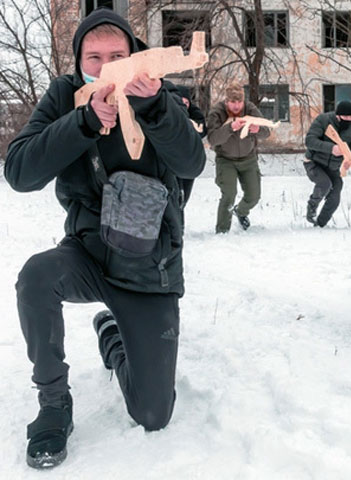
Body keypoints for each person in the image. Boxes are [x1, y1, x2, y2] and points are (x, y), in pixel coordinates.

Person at [4, 8, 205, 468]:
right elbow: (18, 172)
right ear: (79, 62)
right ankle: (54, 404)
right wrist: (84, 122)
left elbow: (192, 164)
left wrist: (156, 108)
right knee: (36, 277)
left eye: (118, 55)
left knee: (153, 414)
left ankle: (113, 336)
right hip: (89, 256)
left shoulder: (163, 94)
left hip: (149, 268)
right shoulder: (65, 96)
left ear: (135, 56)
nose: (105, 66)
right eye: (93, 57)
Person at [206, 82, 270, 232]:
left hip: (248, 159)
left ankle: (240, 212)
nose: (236, 106)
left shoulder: (250, 109)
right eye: (232, 102)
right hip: (226, 160)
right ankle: (222, 231)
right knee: (229, 194)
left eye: (239, 102)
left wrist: (257, 129)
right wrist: (230, 128)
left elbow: (266, 132)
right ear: (226, 101)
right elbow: (213, 139)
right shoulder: (217, 112)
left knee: (254, 196)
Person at [303, 100, 351, 227]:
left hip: (334, 167)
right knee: (325, 184)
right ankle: (312, 207)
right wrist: (331, 148)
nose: (348, 119)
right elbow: (310, 140)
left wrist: (349, 160)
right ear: (337, 115)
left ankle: (320, 224)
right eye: (345, 117)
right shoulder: (323, 120)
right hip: (314, 162)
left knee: (335, 195)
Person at [172, 84, 207, 211]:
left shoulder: (195, 113)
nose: (184, 105)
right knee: (174, 196)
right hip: (172, 160)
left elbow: (202, 131)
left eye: (186, 102)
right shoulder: (169, 113)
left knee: (183, 198)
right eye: (181, 102)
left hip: (189, 159)